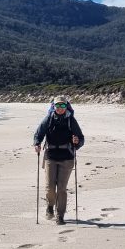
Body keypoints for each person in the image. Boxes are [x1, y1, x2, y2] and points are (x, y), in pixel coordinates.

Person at [33, 96, 84, 224]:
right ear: (53, 107)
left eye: (63, 106)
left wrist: (77, 142)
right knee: (50, 187)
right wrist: (37, 143)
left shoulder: (71, 120)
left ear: (66, 106)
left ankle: (60, 215)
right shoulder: (49, 119)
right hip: (50, 156)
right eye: (58, 106)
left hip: (67, 157)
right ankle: (50, 206)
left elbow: (81, 138)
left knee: (61, 188)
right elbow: (38, 134)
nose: (60, 108)